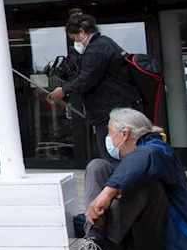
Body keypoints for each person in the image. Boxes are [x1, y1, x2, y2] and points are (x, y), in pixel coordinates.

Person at [47, 108, 187, 250]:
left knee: (145, 179)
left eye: (109, 133)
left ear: (124, 134)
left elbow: (145, 156)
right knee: (97, 166)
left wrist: (107, 193)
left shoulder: (159, 151)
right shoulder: (129, 160)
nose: (107, 139)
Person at [48, 13, 143, 162]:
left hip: (108, 110)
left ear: (82, 31)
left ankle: (116, 184)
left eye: (74, 38)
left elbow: (86, 78)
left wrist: (64, 90)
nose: (75, 42)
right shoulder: (106, 43)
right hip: (118, 106)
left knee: (112, 155)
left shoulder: (96, 50)